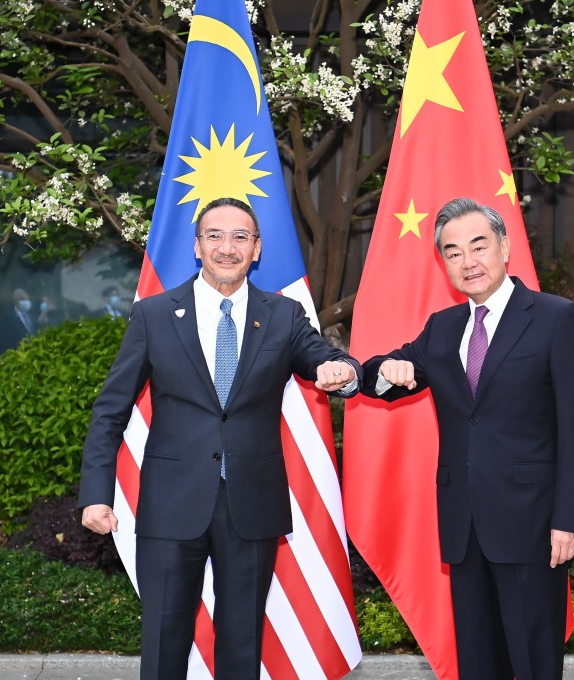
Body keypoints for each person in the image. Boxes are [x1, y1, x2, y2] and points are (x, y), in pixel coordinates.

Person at [78, 196, 363, 680]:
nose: (227, 248)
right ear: (196, 246)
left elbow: (322, 357)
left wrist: (344, 371)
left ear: (257, 249)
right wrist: (95, 494)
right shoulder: (154, 315)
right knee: (164, 644)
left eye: (240, 237)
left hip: (251, 507)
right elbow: (110, 410)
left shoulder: (283, 314)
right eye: (215, 236)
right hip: (171, 507)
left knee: (242, 644)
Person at [359, 197, 574, 680]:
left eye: (478, 245)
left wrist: (570, 520)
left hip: (534, 528)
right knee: (478, 664)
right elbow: (376, 378)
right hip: (465, 528)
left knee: (533, 662)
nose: (467, 262)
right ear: (443, 263)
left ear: (505, 246)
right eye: (452, 252)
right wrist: (383, 368)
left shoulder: (556, 318)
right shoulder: (444, 329)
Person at [0, 288, 36, 355]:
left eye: (27, 299)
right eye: (22, 299)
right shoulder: (7, 318)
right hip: (16, 354)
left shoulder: (31, 317)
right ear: (15, 301)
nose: (26, 302)